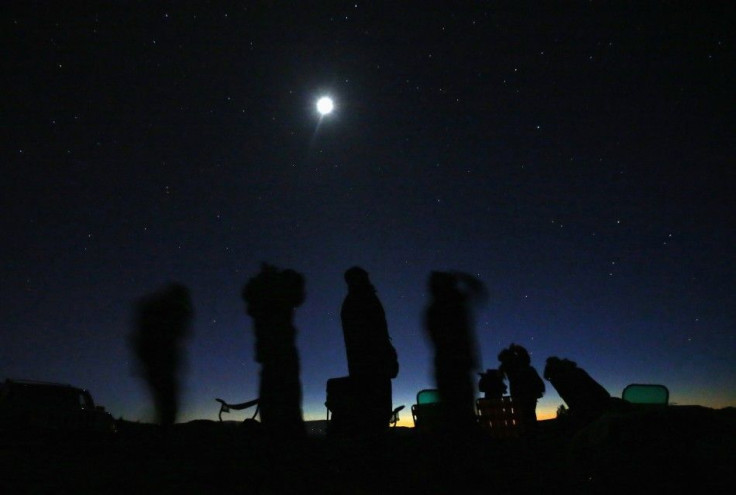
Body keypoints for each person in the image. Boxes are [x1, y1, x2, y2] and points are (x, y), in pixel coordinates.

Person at [339, 266, 397, 437]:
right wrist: (387, 356)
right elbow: (373, 335)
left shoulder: (357, 300)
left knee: (374, 413)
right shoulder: (360, 300)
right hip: (372, 367)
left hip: (368, 366)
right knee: (375, 413)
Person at [131, 282, 193, 438]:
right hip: (160, 367)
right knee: (167, 409)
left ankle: (160, 440)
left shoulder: (159, 313)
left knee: (165, 409)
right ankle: (161, 446)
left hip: (158, 367)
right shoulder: (163, 316)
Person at [498, 343, 545, 432]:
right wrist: (515, 348)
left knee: (524, 414)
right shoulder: (520, 362)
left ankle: (527, 433)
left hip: (518, 391)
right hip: (528, 391)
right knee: (530, 413)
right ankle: (532, 433)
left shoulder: (506, 365)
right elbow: (525, 356)